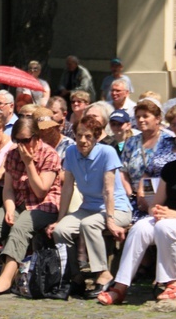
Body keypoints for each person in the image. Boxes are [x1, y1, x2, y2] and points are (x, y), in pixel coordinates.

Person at [98, 125, 176, 304]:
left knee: (166, 226)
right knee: (140, 227)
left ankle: (173, 283)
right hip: (170, 224)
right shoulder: (170, 169)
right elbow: (155, 204)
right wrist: (155, 211)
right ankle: (120, 286)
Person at [0, 117, 62, 295]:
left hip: (45, 204)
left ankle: (6, 279)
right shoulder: (13, 155)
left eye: (26, 140)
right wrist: (9, 208)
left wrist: (29, 163)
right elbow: (8, 189)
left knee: (20, 228)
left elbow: (41, 191)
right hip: (20, 202)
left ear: (36, 137)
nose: (22, 145)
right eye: (18, 140)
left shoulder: (49, 154)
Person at [49, 115, 132, 298]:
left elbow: (109, 190)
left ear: (96, 137)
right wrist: (60, 218)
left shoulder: (107, 152)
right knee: (61, 230)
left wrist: (110, 220)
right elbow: (68, 187)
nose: (82, 141)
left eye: (87, 136)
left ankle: (103, 274)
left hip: (117, 208)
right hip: (89, 208)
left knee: (89, 224)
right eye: (79, 136)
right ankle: (75, 276)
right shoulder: (71, 152)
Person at [120, 99, 174, 218]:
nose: (140, 120)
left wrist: (147, 196)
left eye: (145, 116)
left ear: (158, 118)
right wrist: (131, 195)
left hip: (161, 199)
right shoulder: (131, 142)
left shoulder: (168, 141)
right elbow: (122, 171)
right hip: (133, 199)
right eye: (138, 116)